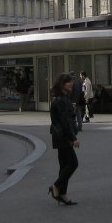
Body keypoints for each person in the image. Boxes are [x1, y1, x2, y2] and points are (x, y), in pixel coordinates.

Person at [48, 73, 80, 206]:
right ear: (62, 85)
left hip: (60, 136)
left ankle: (62, 194)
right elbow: (64, 122)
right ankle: (56, 186)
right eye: (68, 82)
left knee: (64, 165)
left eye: (71, 82)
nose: (71, 84)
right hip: (62, 137)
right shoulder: (60, 100)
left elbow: (70, 118)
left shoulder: (64, 99)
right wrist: (73, 138)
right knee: (73, 163)